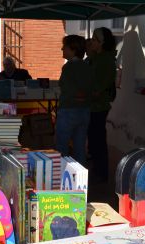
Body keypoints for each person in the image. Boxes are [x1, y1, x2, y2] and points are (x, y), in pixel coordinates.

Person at [55, 35, 93, 164]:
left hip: (68, 110)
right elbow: (90, 89)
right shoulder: (87, 65)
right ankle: (80, 179)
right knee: (80, 147)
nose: (61, 49)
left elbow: (68, 90)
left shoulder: (69, 67)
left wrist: (78, 96)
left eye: (64, 47)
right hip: (84, 111)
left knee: (61, 146)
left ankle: (61, 177)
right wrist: (83, 97)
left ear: (73, 49)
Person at [87, 27, 117, 182]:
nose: (91, 42)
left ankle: (101, 172)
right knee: (94, 139)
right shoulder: (97, 57)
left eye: (94, 39)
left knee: (98, 139)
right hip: (94, 105)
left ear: (101, 43)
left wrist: (88, 94)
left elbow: (100, 85)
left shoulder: (106, 60)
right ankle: (97, 170)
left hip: (99, 106)